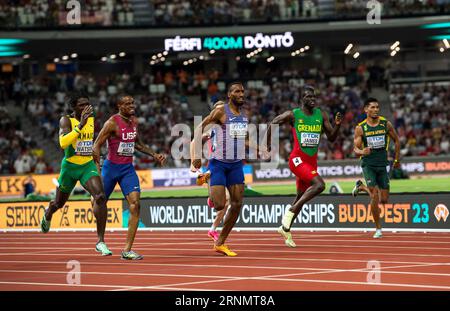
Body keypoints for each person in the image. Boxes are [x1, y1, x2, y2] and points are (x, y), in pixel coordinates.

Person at [264, 85, 342, 247]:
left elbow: (332, 138)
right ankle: (291, 211)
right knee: (320, 185)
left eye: (314, 97)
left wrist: (338, 125)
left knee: (300, 196)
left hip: (311, 162)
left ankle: (285, 228)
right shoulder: (294, 114)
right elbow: (274, 121)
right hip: (297, 160)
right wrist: (268, 143)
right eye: (308, 97)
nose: (312, 99)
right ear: (301, 99)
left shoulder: (321, 115)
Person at [93, 95, 166, 260]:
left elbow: (137, 144)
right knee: (99, 202)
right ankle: (100, 240)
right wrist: (97, 170)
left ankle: (127, 250)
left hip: (127, 169)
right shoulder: (112, 123)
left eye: (132, 102)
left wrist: (154, 155)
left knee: (135, 204)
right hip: (110, 169)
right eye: (127, 103)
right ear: (119, 106)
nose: (131, 105)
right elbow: (96, 144)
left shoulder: (134, 122)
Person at [40, 93, 112, 256]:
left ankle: (100, 241)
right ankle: (49, 212)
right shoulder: (66, 120)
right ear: (73, 107)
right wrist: (81, 125)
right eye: (81, 105)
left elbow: (88, 142)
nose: (86, 107)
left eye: (88, 103)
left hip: (86, 165)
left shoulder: (92, 119)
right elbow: (63, 143)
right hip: (70, 167)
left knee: (100, 196)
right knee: (59, 204)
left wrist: (95, 158)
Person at [191, 82, 249, 256]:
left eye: (243, 91)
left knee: (237, 203)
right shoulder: (221, 111)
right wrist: (196, 157)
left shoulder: (244, 116)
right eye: (237, 91)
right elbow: (199, 127)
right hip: (219, 163)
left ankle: (220, 242)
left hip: (236, 164)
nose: (241, 94)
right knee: (219, 205)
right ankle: (209, 182)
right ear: (229, 95)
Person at [352, 98, 401, 238]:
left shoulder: (386, 124)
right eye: (372, 107)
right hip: (368, 164)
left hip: (382, 164)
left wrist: (397, 159)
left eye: (377, 107)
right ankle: (378, 229)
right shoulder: (361, 128)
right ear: (366, 110)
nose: (375, 110)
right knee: (374, 196)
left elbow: (397, 140)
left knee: (384, 200)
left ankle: (361, 187)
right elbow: (355, 148)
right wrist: (362, 152)